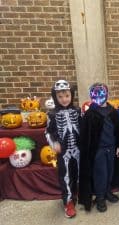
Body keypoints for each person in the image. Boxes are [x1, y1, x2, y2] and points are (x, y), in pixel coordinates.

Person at [78, 83, 119, 212]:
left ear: (107, 94)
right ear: (91, 95)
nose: (99, 96)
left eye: (102, 93)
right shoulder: (90, 114)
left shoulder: (113, 112)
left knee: (110, 171)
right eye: (96, 94)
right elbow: (86, 135)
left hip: (111, 148)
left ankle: (107, 191)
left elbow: (117, 132)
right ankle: (100, 197)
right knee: (100, 173)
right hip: (98, 150)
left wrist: (118, 146)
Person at [45, 80, 81, 218]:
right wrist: (54, 144)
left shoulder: (77, 111)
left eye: (67, 96)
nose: (64, 99)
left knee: (78, 174)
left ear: (72, 95)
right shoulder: (52, 114)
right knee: (65, 177)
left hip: (78, 149)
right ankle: (68, 202)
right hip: (64, 151)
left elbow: (83, 128)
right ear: (55, 97)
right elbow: (47, 132)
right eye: (60, 97)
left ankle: (78, 195)